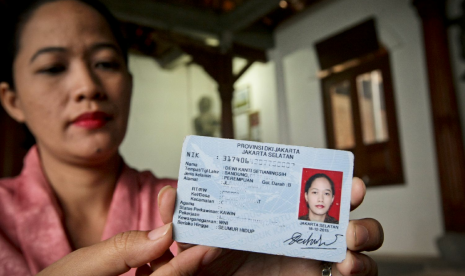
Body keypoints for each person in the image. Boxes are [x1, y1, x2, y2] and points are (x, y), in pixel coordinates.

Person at [0, 0, 384, 275]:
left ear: (129, 85)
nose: (87, 85)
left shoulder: (197, 206)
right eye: (53, 67)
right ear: (12, 100)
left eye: (105, 63)